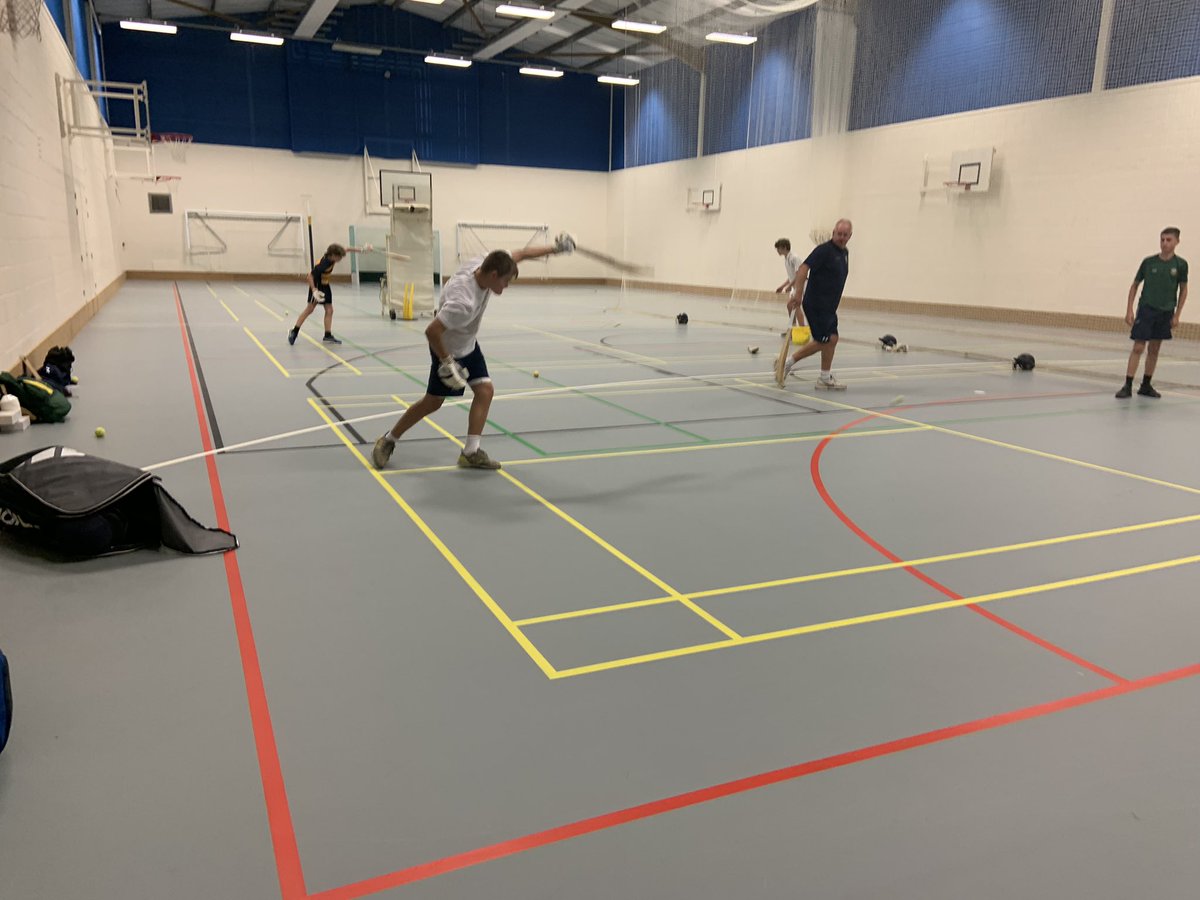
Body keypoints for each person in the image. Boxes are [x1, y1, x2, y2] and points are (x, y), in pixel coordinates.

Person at [371, 234, 575, 471]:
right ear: (493, 275)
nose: (506, 287)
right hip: (448, 348)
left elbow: (522, 254)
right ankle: (388, 440)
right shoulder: (463, 302)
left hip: (467, 342)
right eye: (506, 282)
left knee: (485, 390)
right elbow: (431, 331)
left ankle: (470, 452)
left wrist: (556, 248)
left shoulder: (486, 262)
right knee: (433, 402)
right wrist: (447, 362)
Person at [779, 219, 853, 390]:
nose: (841, 237)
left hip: (829, 306)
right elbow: (803, 268)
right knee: (824, 341)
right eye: (839, 234)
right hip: (816, 304)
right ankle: (787, 363)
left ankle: (824, 377)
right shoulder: (824, 250)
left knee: (832, 339)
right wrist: (798, 293)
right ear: (833, 233)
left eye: (845, 235)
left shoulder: (844, 253)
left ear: (850, 235)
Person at [1117, 227, 1188, 399]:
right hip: (1147, 309)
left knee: (1154, 349)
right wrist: (1129, 309)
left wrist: (1177, 314)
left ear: (1177, 242)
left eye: (1168, 240)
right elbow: (1134, 285)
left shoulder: (1181, 265)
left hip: (1166, 312)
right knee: (1138, 347)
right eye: (1162, 239)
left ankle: (1146, 385)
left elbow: (1183, 290)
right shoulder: (1149, 262)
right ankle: (1127, 385)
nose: (1165, 243)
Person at [288, 242, 370, 346]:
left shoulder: (333, 255)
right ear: (333, 255)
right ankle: (294, 331)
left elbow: (347, 249)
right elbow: (309, 276)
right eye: (339, 257)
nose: (340, 259)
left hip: (325, 285)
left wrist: (363, 249)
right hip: (317, 285)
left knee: (329, 310)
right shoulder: (324, 264)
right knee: (309, 309)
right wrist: (314, 291)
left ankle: (327, 335)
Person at [774, 238, 803, 315]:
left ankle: (798, 326)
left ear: (785, 247)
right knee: (791, 306)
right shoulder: (787, 259)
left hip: (802, 285)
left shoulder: (794, 258)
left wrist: (789, 286)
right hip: (795, 286)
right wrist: (782, 286)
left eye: (779, 248)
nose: (777, 250)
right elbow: (791, 276)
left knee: (793, 305)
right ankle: (793, 326)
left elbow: (799, 274)